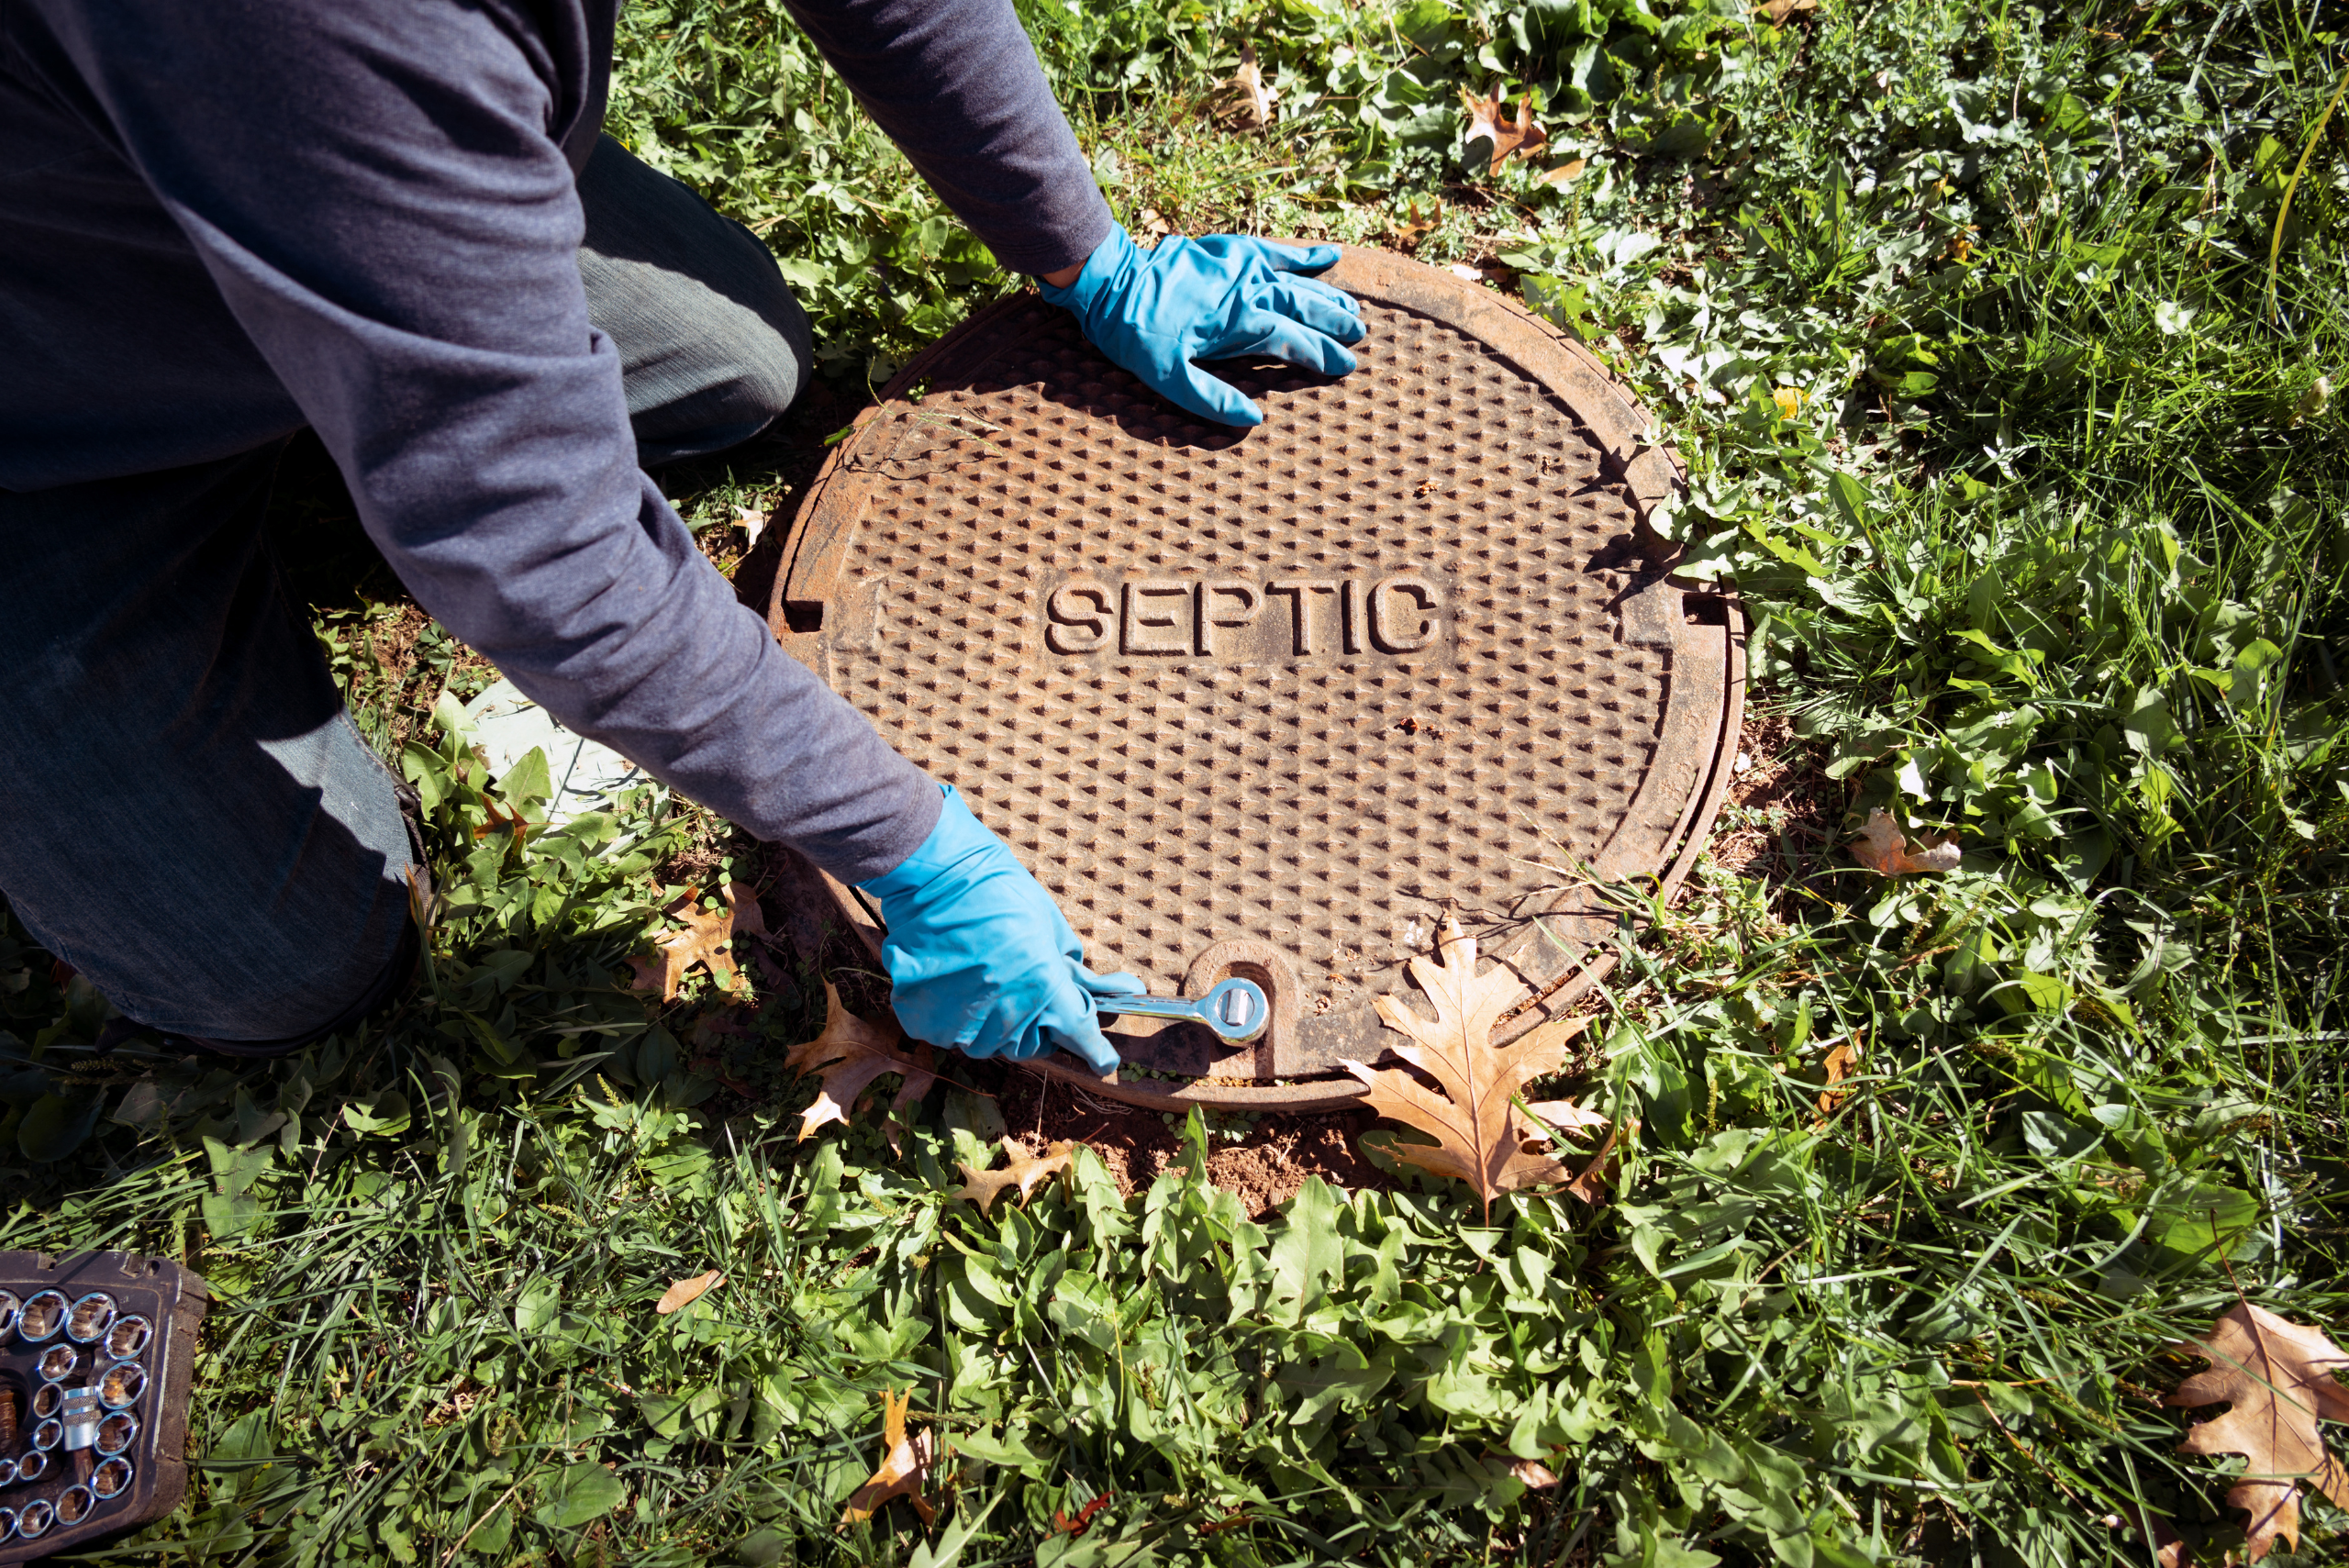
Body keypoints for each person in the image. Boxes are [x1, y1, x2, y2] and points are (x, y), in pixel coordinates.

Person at [0, 0, 1366, 1073]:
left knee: (740, 364)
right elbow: (539, 542)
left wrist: (1087, 253)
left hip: (282, 146)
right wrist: (910, 844)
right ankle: (376, 319)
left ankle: (394, 288)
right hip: (52, 417)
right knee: (280, 964)